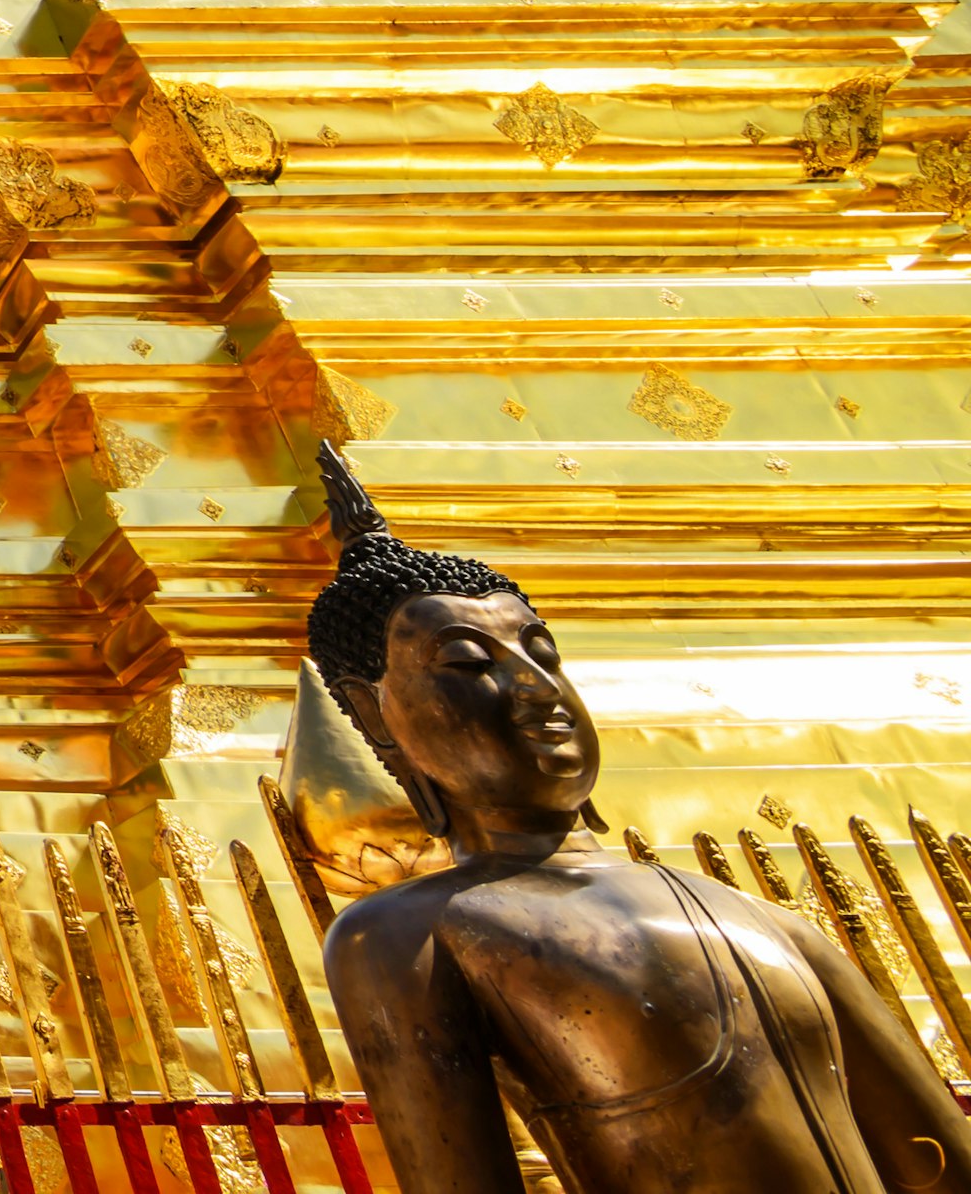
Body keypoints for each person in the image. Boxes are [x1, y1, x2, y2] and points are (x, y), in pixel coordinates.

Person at [310, 445, 971, 1193]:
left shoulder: (768, 921)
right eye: (468, 663)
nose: (535, 689)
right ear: (375, 713)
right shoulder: (408, 935)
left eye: (543, 654)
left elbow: (937, 1157)